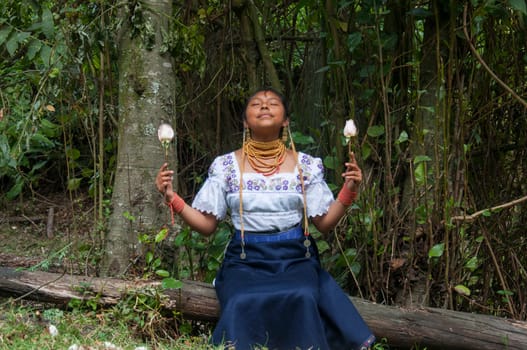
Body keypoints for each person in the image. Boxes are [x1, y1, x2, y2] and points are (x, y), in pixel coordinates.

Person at [155, 88, 376, 350]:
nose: (264, 107)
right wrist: (172, 198)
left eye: (272, 103)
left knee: (304, 296)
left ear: (286, 121)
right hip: (245, 260)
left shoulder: (306, 165)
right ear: (245, 122)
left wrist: (349, 190)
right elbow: (206, 226)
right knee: (240, 300)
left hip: (295, 258)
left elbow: (325, 224)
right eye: (256, 104)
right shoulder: (225, 166)